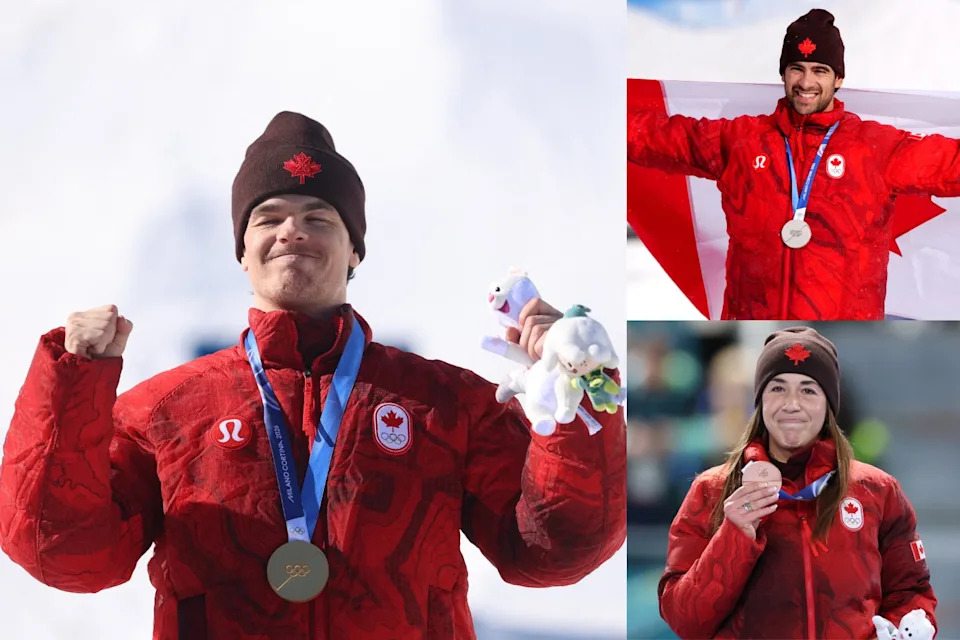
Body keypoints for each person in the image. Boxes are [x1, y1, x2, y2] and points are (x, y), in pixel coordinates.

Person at [0, 112, 626, 639]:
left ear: (354, 251)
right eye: (267, 217)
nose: (292, 231)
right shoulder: (165, 410)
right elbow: (65, 552)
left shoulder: (445, 402)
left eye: (319, 218)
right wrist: (73, 383)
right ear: (242, 252)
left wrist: (575, 402)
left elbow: (551, 550)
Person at [627, 9, 960, 320]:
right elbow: (655, 137)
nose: (806, 82)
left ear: (838, 78)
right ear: (784, 73)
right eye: (797, 68)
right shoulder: (742, 140)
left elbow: (951, 164)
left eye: (820, 70)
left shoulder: (875, 148)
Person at [659, 326, 934, 639]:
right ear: (759, 401)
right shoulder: (712, 490)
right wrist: (734, 536)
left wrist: (906, 630)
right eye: (778, 388)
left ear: (829, 404)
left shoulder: (878, 491)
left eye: (808, 390)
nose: (792, 403)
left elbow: (911, 593)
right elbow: (685, 620)